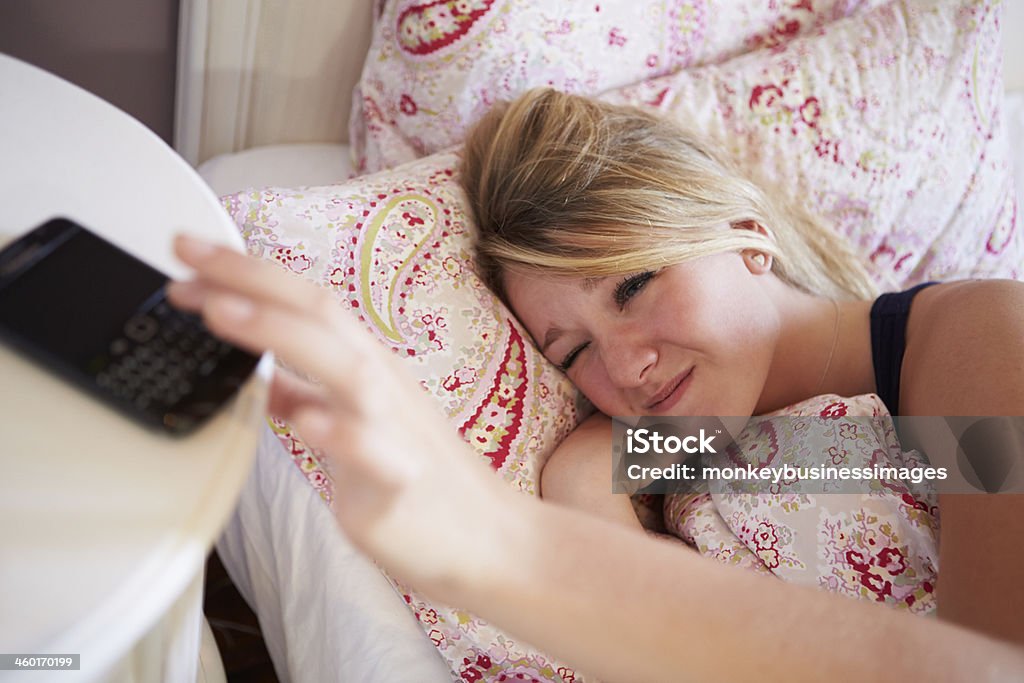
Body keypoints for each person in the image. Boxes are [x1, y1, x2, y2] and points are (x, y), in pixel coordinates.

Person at [167, 87, 1024, 680]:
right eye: (571, 352)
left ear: (745, 231)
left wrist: (510, 541)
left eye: (632, 284)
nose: (624, 369)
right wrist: (586, 472)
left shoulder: (974, 336)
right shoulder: (655, 450)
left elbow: (992, 665)